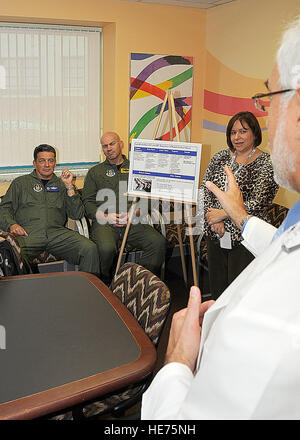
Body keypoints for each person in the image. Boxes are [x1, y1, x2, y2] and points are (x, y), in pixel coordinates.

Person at [141, 15, 300, 419]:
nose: (267, 113)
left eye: (270, 99)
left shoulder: (274, 325)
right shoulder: (223, 163)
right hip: (221, 230)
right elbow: (282, 239)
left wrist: (176, 362)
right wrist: (237, 217)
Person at [201, 111, 278, 300]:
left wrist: (222, 213)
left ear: (254, 133)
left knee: (238, 294)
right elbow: (205, 188)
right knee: (217, 292)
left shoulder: (267, 164)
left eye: (243, 131)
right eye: (233, 132)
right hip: (216, 233)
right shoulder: (220, 157)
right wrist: (213, 219)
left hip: (244, 237)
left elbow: (259, 202)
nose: (237, 137)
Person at [0, 144, 100, 275]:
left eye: (50, 160)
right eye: (42, 160)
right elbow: (4, 209)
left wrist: (70, 187)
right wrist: (11, 225)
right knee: (10, 253)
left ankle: (89, 291)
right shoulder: (20, 183)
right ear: (34, 163)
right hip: (28, 235)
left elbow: (77, 214)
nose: (47, 164)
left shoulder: (62, 184)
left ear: (55, 163)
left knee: (90, 249)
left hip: (57, 234)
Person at [82, 131, 166, 285]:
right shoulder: (95, 172)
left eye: (112, 144)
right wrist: (106, 217)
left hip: (133, 221)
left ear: (120, 144)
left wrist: (134, 213)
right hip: (105, 223)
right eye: (104, 146)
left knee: (157, 242)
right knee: (106, 248)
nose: (108, 148)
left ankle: (139, 282)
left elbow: (148, 199)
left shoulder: (137, 168)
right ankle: (103, 285)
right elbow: (87, 203)